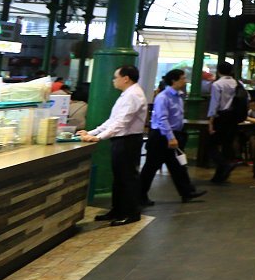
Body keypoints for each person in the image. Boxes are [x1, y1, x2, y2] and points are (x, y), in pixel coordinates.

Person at [77, 65, 148, 226]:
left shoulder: (133, 95)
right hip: (121, 141)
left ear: (126, 78)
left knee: (127, 178)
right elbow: (113, 120)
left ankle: (131, 213)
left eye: (116, 77)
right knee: (119, 178)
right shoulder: (127, 94)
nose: (113, 81)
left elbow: (122, 123)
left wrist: (99, 137)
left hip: (128, 141)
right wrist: (92, 132)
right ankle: (117, 210)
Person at [139, 69, 206, 206]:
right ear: (174, 81)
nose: (185, 81)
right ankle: (139, 195)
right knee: (151, 167)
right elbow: (162, 119)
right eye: (182, 78)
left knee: (178, 165)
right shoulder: (163, 97)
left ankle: (187, 192)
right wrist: (170, 137)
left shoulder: (179, 96)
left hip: (174, 134)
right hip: (161, 136)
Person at [205, 61, 240, 183]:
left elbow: (214, 104)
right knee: (227, 145)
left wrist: (211, 121)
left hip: (221, 117)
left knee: (210, 145)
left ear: (219, 71)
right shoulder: (237, 83)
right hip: (233, 118)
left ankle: (224, 165)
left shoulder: (217, 84)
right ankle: (219, 177)